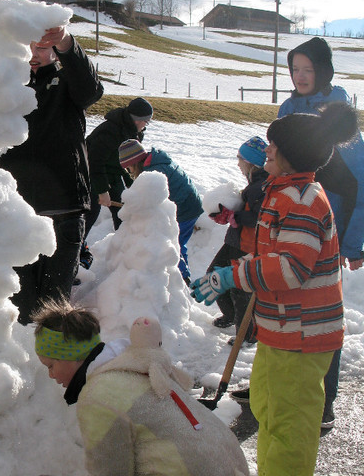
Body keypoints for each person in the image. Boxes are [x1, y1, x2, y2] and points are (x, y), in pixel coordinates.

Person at [190, 102, 358, 476]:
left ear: (290, 154)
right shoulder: (282, 193)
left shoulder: (303, 200)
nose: (267, 150)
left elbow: (290, 267)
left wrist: (234, 277)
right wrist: (232, 262)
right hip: (281, 329)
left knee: (289, 424)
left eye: (272, 145)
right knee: (267, 405)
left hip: (302, 333)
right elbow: (269, 250)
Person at [0, 3, 103, 325]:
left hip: (65, 211)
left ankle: (54, 371)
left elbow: (92, 88)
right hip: (17, 213)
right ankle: (25, 370)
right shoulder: (3, 86)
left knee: (56, 309)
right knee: (21, 306)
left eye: (44, 48)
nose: (36, 53)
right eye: (31, 46)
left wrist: (66, 41)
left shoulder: (69, 85)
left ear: (54, 52)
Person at [33, 300, 249, 476]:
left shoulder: (98, 396)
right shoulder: (136, 361)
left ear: (70, 356)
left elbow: (109, 469)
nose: (51, 375)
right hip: (230, 461)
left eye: (51, 365)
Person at [277, 36, 364, 429]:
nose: (300, 76)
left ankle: (324, 400)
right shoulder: (288, 107)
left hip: (328, 227)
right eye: (294, 69)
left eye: (307, 69)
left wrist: (353, 242)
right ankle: (278, 381)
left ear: (324, 71)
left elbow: (359, 183)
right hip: (289, 222)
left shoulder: (339, 115)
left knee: (322, 315)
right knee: (281, 301)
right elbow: (276, 168)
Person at [207, 136, 268, 346]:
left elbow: (260, 217)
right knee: (214, 276)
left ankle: (247, 333)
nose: (238, 163)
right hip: (235, 242)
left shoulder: (260, 186)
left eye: (240, 158)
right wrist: (228, 214)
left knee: (239, 288)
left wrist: (234, 215)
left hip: (246, 246)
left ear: (251, 162)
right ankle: (232, 316)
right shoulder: (255, 184)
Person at [80, 97, 154, 270]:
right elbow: (94, 162)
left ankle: (125, 254)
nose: (146, 125)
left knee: (123, 211)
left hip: (111, 174)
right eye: (145, 121)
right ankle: (76, 251)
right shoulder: (110, 131)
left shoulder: (134, 133)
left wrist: (135, 183)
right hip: (90, 173)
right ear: (136, 119)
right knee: (90, 213)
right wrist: (102, 191)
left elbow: (128, 163)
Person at [118, 139, 203, 283]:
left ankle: (183, 279)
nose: (128, 172)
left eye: (128, 168)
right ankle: (181, 275)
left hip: (186, 209)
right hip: (189, 203)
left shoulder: (154, 172)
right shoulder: (154, 161)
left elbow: (150, 201)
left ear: (134, 162)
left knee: (174, 243)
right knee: (177, 243)